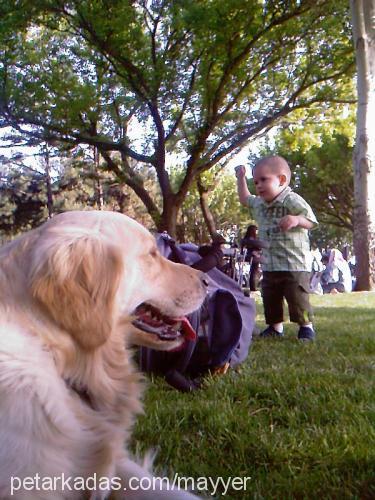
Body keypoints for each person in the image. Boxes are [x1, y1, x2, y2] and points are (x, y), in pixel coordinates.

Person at [235, 155, 318, 341]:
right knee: (270, 296)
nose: (259, 185)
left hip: (294, 263)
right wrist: (241, 178)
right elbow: (245, 198)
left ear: (281, 180)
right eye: (256, 181)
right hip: (270, 262)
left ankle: (306, 326)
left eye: (264, 179)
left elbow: (311, 221)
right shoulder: (260, 204)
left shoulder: (291, 200)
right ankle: (275, 327)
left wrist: (296, 219)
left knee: (298, 298)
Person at [241, 225, 262, 292]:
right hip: (253, 256)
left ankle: (253, 286)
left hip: (249, 256)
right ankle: (253, 286)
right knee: (254, 271)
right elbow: (258, 247)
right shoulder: (252, 240)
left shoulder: (245, 239)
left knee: (254, 271)